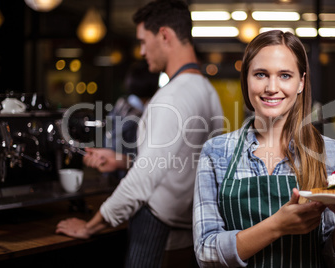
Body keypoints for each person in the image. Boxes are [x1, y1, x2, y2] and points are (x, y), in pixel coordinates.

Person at [56, 0, 223, 267]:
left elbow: (143, 181)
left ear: (165, 35)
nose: (142, 51)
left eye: (144, 41)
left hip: (157, 229)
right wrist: (122, 161)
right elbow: (186, 164)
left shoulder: (172, 96)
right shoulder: (208, 91)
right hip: (190, 232)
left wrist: (92, 225)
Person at [193, 30, 335, 267]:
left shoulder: (334, 153)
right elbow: (206, 252)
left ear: (301, 82)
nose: (272, 87)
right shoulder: (216, 151)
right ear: (247, 79)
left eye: (285, 75)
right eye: (261, 74)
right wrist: (276, 226)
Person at [83, 61, 159, 179]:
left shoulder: (119, 106)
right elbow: (139, 158)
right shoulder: (138, 118)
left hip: (108, 174)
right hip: (124, 178)